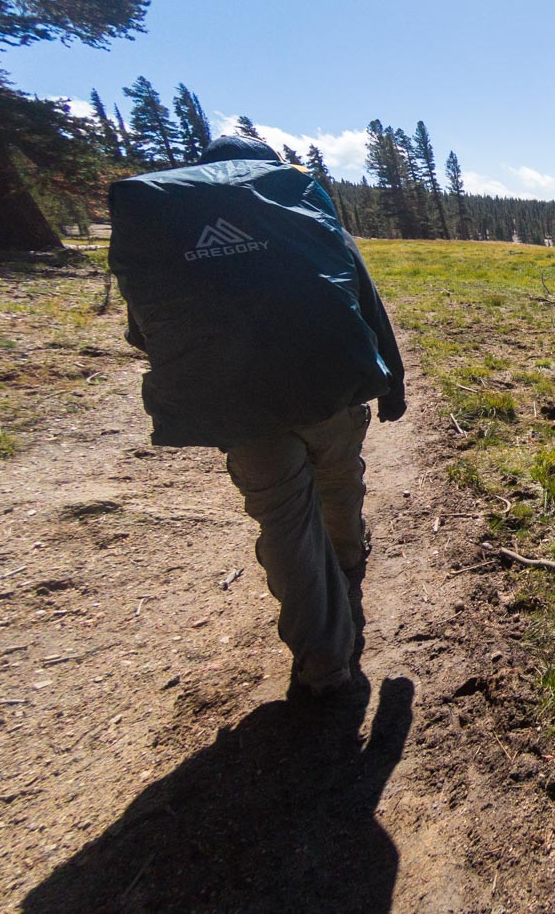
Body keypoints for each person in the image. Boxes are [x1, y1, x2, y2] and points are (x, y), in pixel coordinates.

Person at [114, 135, 406, 699]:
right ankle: (346, 562)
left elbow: (144, 332)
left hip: (242, 411)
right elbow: (367, 305)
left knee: (286, 524)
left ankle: (324, 662)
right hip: (328, 391)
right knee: (340, 480)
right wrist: (390, 384)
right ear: (271, 173)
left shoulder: (168, 237)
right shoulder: (309, 223)